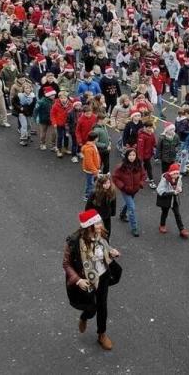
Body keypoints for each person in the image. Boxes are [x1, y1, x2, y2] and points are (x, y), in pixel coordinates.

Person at [62, 209, 120, 351]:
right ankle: (84, 317)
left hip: (103, 276)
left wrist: (112, 253)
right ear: (89, 226)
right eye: (98, 223)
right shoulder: (74, 242)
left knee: (102, 306)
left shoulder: (101, 236)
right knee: (91, 308)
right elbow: (66, 264)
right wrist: (78, 280)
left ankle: (102, 334)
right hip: (86, 280)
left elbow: (105, 250)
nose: (101, 225)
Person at [112, 148, 147, 237]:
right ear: (127, 156)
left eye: (133, 155)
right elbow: (115, 178)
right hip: (126, 191)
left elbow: (143, 175)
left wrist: (140, 184)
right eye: (130, 155)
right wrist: (123, 186)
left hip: (135, 189)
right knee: (132, 207)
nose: (132, 157)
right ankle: (134, 228)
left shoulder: (139, 165)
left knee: (128, 203)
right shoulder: (121, 167)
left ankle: (123, 214)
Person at [156, 163, 189, 238]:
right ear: (171, 173)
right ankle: (162, 225)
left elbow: (180, 185)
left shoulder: (178, 178)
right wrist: (172, 192)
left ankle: (182, 229)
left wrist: (180, 189)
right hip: (166, 199)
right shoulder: (165, 179)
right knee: (165, 213)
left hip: (174, 199)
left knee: (177, 214)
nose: (176, 175)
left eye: (177, 173)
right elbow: (159, 190)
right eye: (174, 173)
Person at [85, 174, 117, 240]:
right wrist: (87, 214)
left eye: (108, 183)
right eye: (105, 183)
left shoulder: (112, 191)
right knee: (95, 228)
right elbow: (89, 205)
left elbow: (113, 203)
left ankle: (106, 240)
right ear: (100, 184)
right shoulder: (94, 193)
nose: (107, 185)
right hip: (96, 213)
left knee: (107, 229)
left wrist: (113, 212)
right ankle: (94, 239)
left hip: (107, 213)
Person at [136, 118, 157, 189]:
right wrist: (140, 157)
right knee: (149, 167)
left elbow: (154, 143)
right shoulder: (142, 136)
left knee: (144, 166)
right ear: (144, 127)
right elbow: (140, 148)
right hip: (144, 155)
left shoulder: (151, 134)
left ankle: (141, 176)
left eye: (151, 127)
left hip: (149, 154)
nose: (150, 129)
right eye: (148, 127)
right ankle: (151, 181)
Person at [81, 131, 101, 201]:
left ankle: (89, 195)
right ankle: (88, 196)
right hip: (90, 170)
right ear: (95, 139)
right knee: (90, 183)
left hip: (92, 169)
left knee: (91, 182)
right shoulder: (89, 149)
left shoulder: (92, 146)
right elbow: (89, 162)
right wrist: (95, 171)